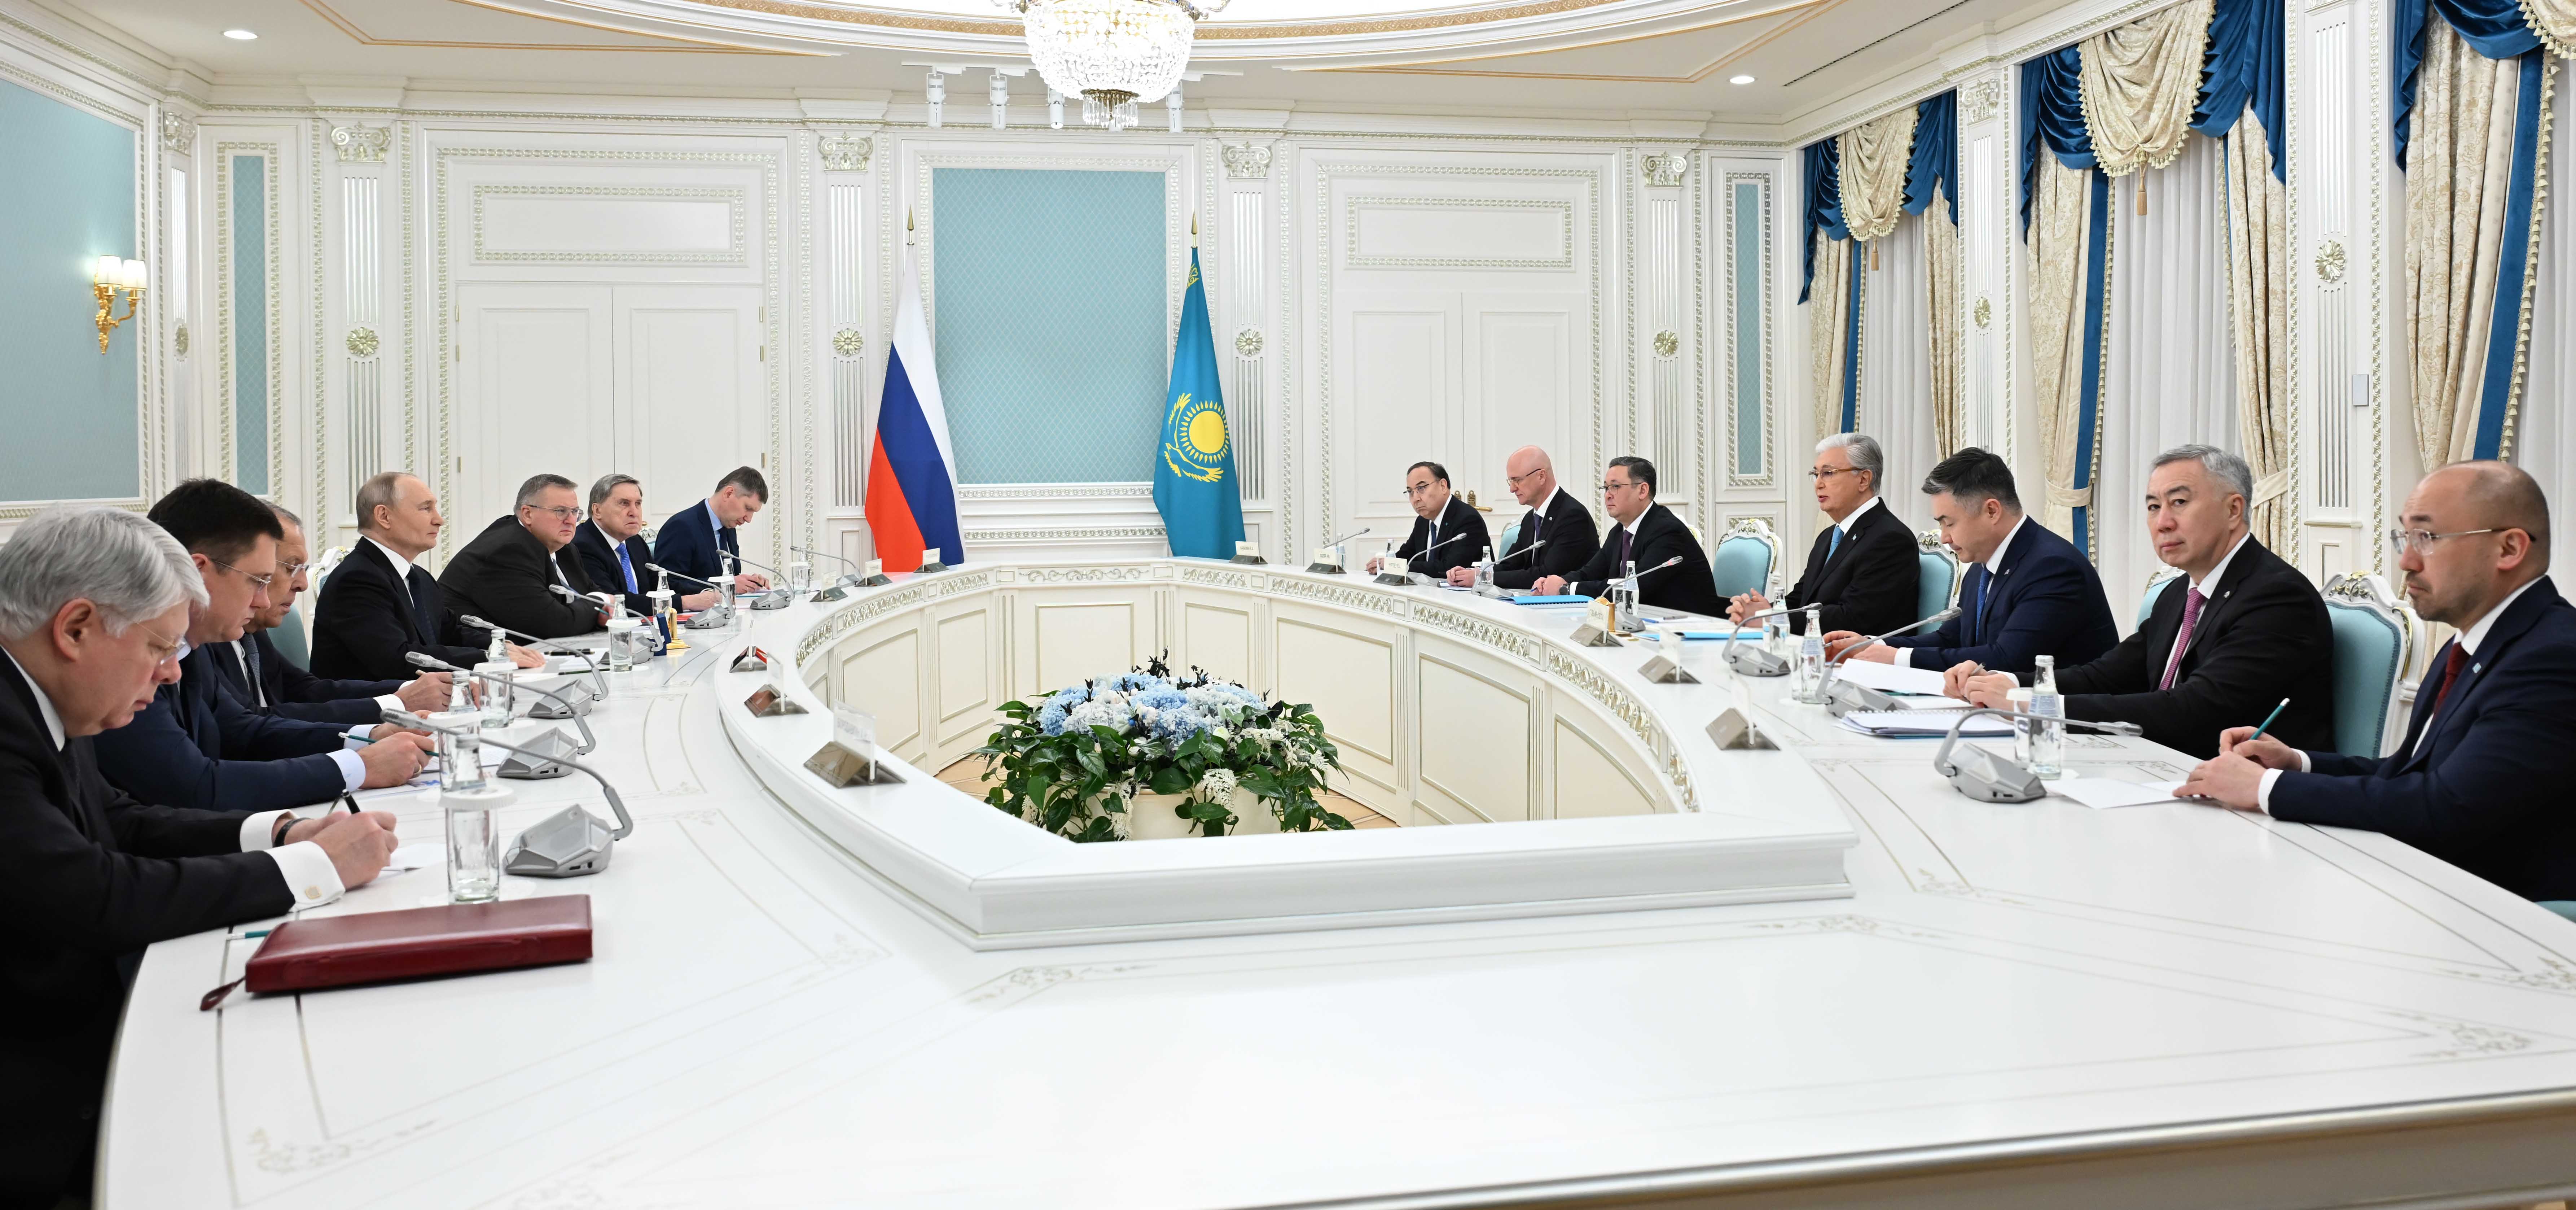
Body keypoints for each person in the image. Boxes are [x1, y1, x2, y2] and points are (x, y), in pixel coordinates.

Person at [0, 505, 400, 1208]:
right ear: (76, 627)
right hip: (39, 1119)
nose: (171, 674)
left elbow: (119, 819)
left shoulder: (44, 695)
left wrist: (280, 834)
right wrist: (313, 869)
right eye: (160, 647)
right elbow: (95, 895)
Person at [2180, 461, 2576, 901]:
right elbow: (2408, 772)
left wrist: (2263, 788)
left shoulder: (2553, 656)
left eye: (2427, 537)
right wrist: (2295, 763)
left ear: (2509, 548)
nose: (2406, 560)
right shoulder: (2470, 642)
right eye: (2404, 537)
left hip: (2506, 912)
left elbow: (2447, 808)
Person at [1949, 446, 2334, 757]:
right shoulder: (2178, 592)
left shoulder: (2276, 597)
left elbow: (2192, 709)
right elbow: (2105, 675)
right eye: (2153, 507)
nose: (2162, 522)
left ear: (2233, 510)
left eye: (2178, 502)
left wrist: (2035, 705)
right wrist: (2005, 681)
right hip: (2161, 765)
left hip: (2241, 791)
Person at [91, 480, 434, 813]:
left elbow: (245, 730)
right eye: (258, 581)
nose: (265, 600)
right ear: (197, 572)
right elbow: (192, 786)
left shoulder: (194, 647)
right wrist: (358, 766)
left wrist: (371, 736)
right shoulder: (122, 658)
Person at [1826, 447, 2117, 675]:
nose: (1944, 538)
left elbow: (2007, 659)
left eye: (1949, 523)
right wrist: (1873, 644)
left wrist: (1897, 658)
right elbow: (1951, 639)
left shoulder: (2052, 568)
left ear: (1991, 511)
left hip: (2063, 723)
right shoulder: (1983, 565)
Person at [201, 503, 454, 727]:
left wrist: (409, 691)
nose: (303, 584)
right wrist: (397, 705)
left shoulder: (251, 627)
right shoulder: (207, 636)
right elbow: (248, 728)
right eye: (291, 568)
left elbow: (303, 689)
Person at [311, 471, 542, 681]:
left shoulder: (419, 577)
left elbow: (450, 632)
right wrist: (488, 657)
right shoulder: (357, 580)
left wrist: (500, 646)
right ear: (384, 516)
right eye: (425, 509)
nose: (439, 520)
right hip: (371, 708)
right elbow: (398, 658)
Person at [1728, 433, 1919, 636]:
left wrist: (1771, 619)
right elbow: (1802, 599)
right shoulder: (1829, 536)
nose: (1818, 484)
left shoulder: (1891, 540)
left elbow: (1852, 618)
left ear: (1864, 480)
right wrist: (1764, 611)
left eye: (1828, 473)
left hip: (1858, 653)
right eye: (1816, 474)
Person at [1533, 457, 1727, 617]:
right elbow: (1589, 572)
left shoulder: (1668, 532)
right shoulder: (1620, 532)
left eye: (1615, 487)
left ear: (1642, 491)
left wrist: (1567, 590)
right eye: (1606, 488)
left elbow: (1632, 588)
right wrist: (1557, 581)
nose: (1608, 495)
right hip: (1646, 624)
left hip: (1689, 631)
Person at [440, 473, 610, 642]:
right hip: (480, 653)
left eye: (575, 512)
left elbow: (593, 596)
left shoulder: (564, 549)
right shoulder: (508, 551)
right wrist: (601, 603)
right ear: (528, 514)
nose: (571, 520)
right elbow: (555, 625)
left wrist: (600, 605)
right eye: (561, 511)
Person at [1446, 445, 1599, 590]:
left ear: (1541, 476)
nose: (1512, 489)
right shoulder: (1530, 518)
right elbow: (1510, 565)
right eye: (1511, 482)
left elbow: (1547, 575)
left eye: (1517, 480)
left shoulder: (1573, 517)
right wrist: (1473, 573)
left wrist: (1484, 578)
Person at [572, 473, 721, 618]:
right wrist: (685, 602)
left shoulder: (634, 541)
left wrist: (704, 593)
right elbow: (613, 601)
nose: (634, 512)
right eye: (624, 504)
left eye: (638, 504)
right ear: (597, 511)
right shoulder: (582, 546)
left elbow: (659, 585)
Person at [653, 466, 772, 590]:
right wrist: (726, 585)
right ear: (729, 494)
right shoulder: (681, 527)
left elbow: (729, 577)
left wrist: (749, 583)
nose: (749, 519)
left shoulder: (729, 526)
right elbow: (668, 584)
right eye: (748, 508)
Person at [1369, 461, 1491, 580]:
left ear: (1443, 486)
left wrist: (1396, 566)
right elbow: (1407, 555)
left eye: (1421, 488)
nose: (1415, 499)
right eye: (1411, 492)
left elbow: (1448, 568)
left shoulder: (1468, 519)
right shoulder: (1423, 521)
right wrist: (1385, 564)